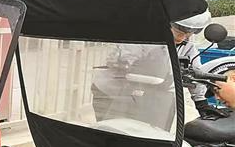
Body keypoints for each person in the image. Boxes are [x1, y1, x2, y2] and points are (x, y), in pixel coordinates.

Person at [92, 10, 222, 128]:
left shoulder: (188, 47)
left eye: (189, 34)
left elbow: (195, 72)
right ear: (166, 24)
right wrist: (140, 63)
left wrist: (201, 102)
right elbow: (120, 61)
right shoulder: (143, 36)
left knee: (156, 135)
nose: (183, 38)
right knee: (113, 131)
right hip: (116, 92)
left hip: (155, 94)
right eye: (179, 32)